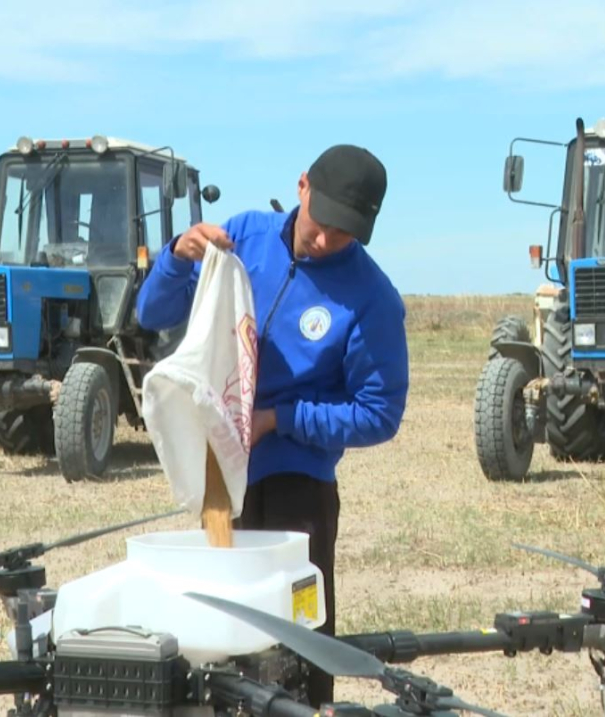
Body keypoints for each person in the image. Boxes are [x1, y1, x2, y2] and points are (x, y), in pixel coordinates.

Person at [135, 143, 409, 708]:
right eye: (323, 221)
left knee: (296, 647)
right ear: (302, 186)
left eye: (346, 233)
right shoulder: (242, 239)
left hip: (297, 488)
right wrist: (178, 257)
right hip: (218, 480)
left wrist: (279, 420)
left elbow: (379, 413)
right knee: (213, 632)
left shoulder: (372, 299)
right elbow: (151, 315)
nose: (328, 239)